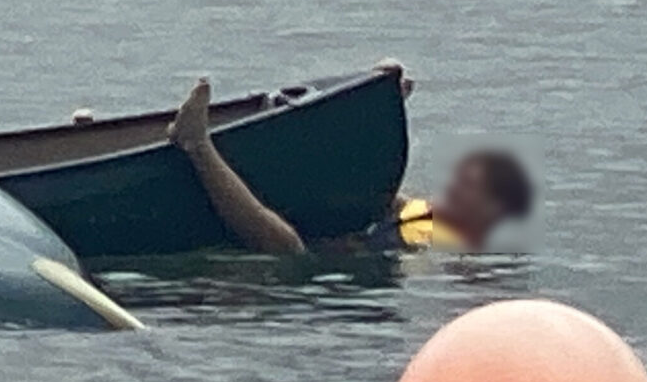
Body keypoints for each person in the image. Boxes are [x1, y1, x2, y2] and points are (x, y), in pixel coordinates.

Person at [168, 78, 533, 256]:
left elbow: (401, 244)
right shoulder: (433, 216)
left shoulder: (462, 240)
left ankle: (198, 145)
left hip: (322, 262)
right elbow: (381, 198)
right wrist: (378, 110)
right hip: (336, 236)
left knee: (287, 247)